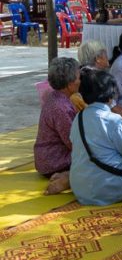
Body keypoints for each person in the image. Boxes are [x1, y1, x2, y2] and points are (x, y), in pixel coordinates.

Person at [69, 69, 122, 206]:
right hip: (108, 188)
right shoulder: (113, 120)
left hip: (79, 189)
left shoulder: (79, 117)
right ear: (111, 94)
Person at [74, 40, 122, 141]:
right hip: (97, 123)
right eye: (105, 55)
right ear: (97, 59)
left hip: (91, 120)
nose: (108, 57)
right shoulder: (96, 78)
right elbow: (111, 107)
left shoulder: (84, 72)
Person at [34, 57, 80, 195]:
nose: (80, 81)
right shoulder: (60, 107)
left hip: (48, 158)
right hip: (53, 162)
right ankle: (68, 178)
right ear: (70, 84)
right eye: (78, 77)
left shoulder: (57, 97)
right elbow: (74, 143)